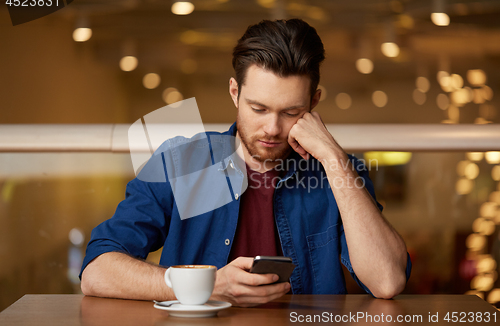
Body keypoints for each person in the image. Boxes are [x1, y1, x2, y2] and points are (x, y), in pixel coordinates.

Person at [80, 19, 411, 307]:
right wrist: (206, 287)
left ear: (314, 103)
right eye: (259, 109)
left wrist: (334, 158)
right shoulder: (180, 162)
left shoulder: (338, 171)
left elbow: (387, 281)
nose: (272, 128)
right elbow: (97, 272)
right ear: (235, 93)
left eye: (291, 112)